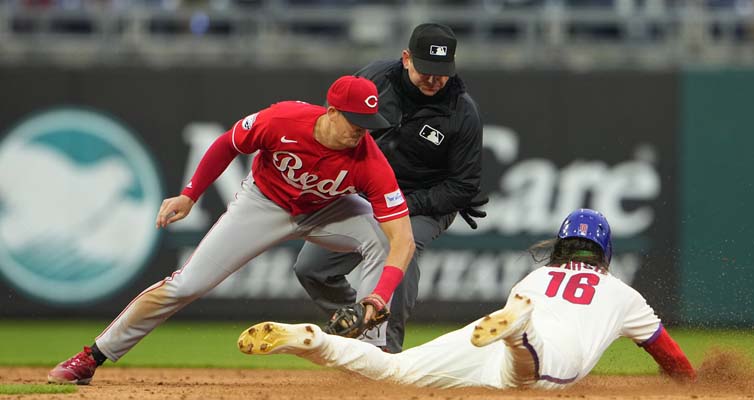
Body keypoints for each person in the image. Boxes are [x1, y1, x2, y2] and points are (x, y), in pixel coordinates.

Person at [47, 75, 416, 385]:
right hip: (264, 204)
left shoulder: (369, 159)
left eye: (368, 123)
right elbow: (227, 144)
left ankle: (370, 357)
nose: (362, 132)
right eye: (355, 122)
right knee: (186, 284)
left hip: (329, 210)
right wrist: (190, 195)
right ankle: (92, 356)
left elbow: (403, 238)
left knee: (382, 241)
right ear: (332, 112)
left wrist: (378, 298)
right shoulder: (283, 120)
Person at [239, 209, 697, 389]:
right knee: (530, 380)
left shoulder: (534, 277)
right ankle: (521, 331)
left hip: (490, 338)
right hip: (541, 351)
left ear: (558, 246)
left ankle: (314, 340)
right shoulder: (623, 294)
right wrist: (696, 384)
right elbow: (669, 355)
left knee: (397, 370)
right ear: (606, 253)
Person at [293, 22, 485, 352]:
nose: (434, 79)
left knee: (401, 249)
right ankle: (355, 324)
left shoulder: (462, 112)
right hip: (364, 193)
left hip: (423, 202)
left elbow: (463, 186)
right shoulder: (375, 79)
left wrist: (403, 205)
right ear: (406, 58)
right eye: (426, 69)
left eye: (442, 72)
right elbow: (337, 125)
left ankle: (386, 349)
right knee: (311, 268)